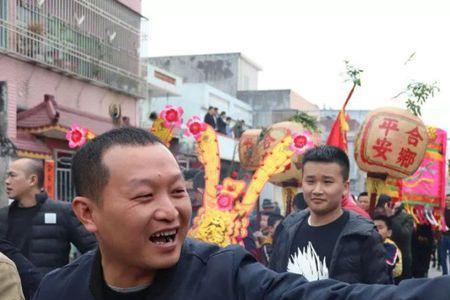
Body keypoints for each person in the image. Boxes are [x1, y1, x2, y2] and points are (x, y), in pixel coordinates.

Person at [33, 127, 450, 300]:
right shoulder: (57, 290)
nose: (170, 211)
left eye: (178, 191)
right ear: (88, 214)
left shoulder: (224, 276)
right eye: (145, 197)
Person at [270, 145, 390, 283]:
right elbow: (272, 283)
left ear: (345, 188)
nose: (317, 190)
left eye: (327, 182)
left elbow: (380, 291)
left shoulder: (363, 236)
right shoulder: (287, 228)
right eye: (310, 181)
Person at [0, 158, 97, 274]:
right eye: (7, 176)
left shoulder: (62, 212)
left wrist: (69, 279)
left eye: (12, 175)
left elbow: (94, 251)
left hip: (49, 290)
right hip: (10, 290)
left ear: (32, 180)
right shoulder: (3, 215)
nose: (7, 181)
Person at [374, 215, 402, 283]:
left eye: (380, 227)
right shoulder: (366, 244)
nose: (376, 231)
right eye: (374, 228)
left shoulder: (391, 247)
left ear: (389, 233)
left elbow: (387, 265)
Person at [439, 194, 450, 275]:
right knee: (442, 256)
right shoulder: (443, 210)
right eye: (446, 200)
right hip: (443, 236)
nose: (447, 202)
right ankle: (444, 273)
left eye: (448, 200)